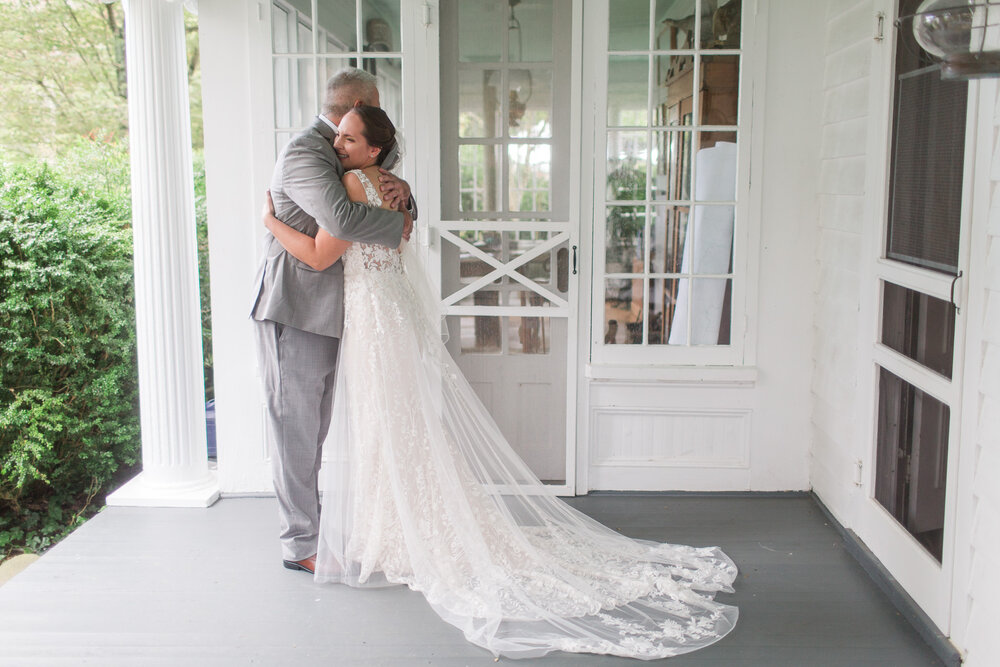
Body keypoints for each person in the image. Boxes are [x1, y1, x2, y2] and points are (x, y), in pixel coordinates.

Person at [263, 106, 739, 660]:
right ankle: (401, 523)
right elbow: (393, 236)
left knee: (383, 423)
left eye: (348, 136)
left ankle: (395, 530)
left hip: (372, 320)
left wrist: (271, 222)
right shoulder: (391, 189)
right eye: (337, 134)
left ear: (373, 150)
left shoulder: (349, 182)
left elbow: (322, 252)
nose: (337, 143)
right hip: (386, 314)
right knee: (401, 422)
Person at [250, 68, 415, 576]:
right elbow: (341, 221)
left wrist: (405, 198)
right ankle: (299, 544)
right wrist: (401, 224)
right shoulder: (306, 150)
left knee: (316, 428)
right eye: (373, 106)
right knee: (296, 431)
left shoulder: (349, 151)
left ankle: (321, 530)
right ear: (357, 105)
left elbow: (378, 195)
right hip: (295, 306)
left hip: (338, 307)